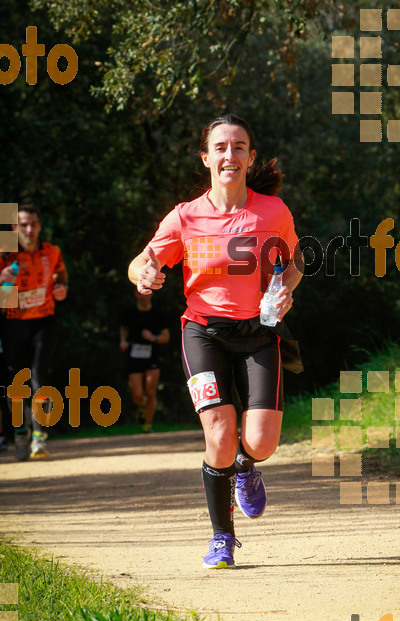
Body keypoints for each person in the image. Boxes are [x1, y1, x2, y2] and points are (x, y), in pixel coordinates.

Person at [128, 113, 303, 569]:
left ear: (250, 157)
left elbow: (296, 260)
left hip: (260, 332)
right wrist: (144, 274)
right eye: (221, 148)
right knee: (221, 434)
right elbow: (140, 263)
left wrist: (286, 289)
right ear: (206, 159)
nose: (231, 155)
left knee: (260, 442)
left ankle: (247, 466)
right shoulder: (185, 216)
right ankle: (222, 538)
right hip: (202, 332)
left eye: (239, 147)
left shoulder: (273, 211)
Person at [0, 204, 68, 460]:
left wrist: (62, 289)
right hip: (12, 323)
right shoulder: (5, 253)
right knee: (16, 382)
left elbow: (62, 279)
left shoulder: (51, 252)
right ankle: (20, 432)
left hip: (44, 320)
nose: (29, 229)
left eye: (34, 224)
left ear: (39, 226)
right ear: (14, 228)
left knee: (39, 375)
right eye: (23, 224)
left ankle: (39, 436)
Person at [120, 289, 170, 433]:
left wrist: (152, 338)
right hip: (134, 356)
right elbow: (123, 328)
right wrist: (123, 341)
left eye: (146, 293)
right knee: (137, 394)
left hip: (152, 356)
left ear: (151, 294)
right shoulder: (129, 312)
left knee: (150, 391)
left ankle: (148, 424)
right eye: (140, 293)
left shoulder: (158, 314)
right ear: (136, 294)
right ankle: (143, 408)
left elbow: (166, 337)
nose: (143, 296)